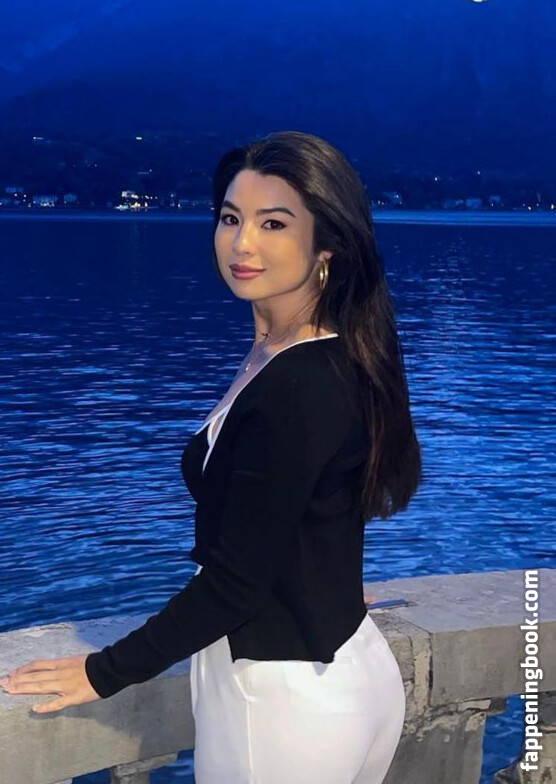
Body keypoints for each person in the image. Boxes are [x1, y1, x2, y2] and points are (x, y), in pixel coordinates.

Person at [0, 131, 422, 784]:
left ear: (327, 243)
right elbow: (320, 502)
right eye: (230, 218)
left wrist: (101, 671)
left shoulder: (299, 385)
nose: (242, 243)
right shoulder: (332, 352)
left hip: (279, 705)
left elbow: (235, 583)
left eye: (273, 223)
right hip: (349, 668)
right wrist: (319, 577)